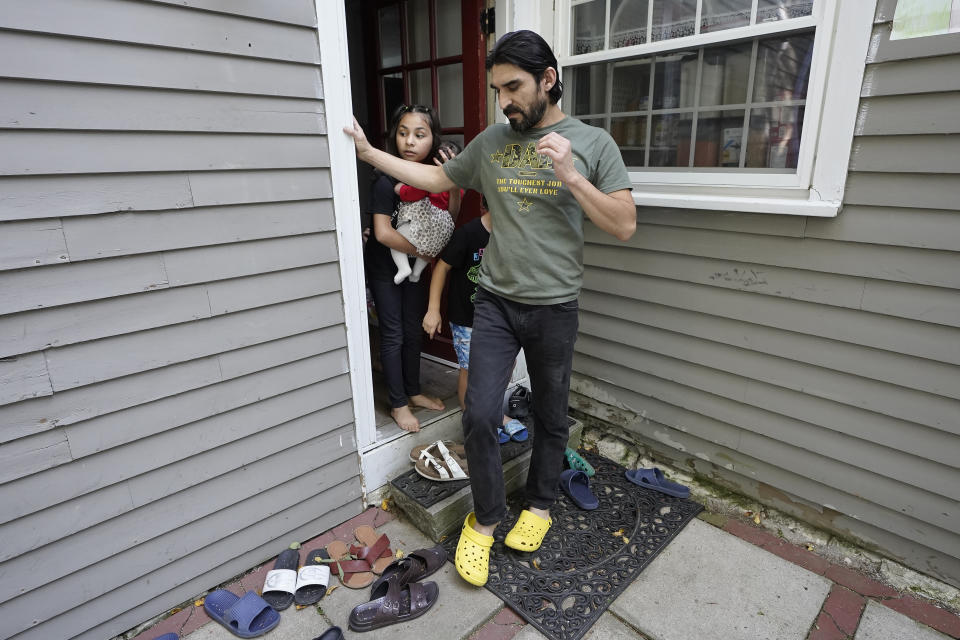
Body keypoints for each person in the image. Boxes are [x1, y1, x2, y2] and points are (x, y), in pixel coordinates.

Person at [344, 30, 636, 586]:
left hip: (554, 306)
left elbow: (623, 225)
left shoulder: (593, 144)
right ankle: (486, 519)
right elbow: (435, 176)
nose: (504, 99)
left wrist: (571, 176)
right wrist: (368, 154)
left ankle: (541, 507)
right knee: (479, 413)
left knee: (551, 415)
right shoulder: (494, 141)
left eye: (514, 87)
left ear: (548, 80)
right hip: (497, 302)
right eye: (498, 88)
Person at [363, 104, 459, 433]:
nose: (410, 141)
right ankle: (398, 403)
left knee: (412, 329)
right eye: (403, 133)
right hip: (384, 267)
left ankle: (413, 390)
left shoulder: (434, 178)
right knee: (392, 334)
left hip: (416, 266)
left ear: (433, 140)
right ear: (394, 137)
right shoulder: (385, 180)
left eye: (420, 135)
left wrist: (453, 184)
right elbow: (382, 233)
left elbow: (450, 217)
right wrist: (426, 252)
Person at [421, 198, 527, 443]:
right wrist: (433, 309)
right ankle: (473, 421)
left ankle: (494, 415)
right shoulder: (468, 233)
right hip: (467, 318)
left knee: (505, 365)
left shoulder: (516, 233)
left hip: (503, 316)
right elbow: (441, 268)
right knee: (470, 370)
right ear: (483, 206)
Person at [390, 140, 462, 285]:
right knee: (428, 249)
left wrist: (399, 187)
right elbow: (453, 210)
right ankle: (417, 272)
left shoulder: (428, 183)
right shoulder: (457, 189)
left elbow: (409, 194)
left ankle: (403, 268)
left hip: (423, 223)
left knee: (396, 238)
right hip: (441, 232)